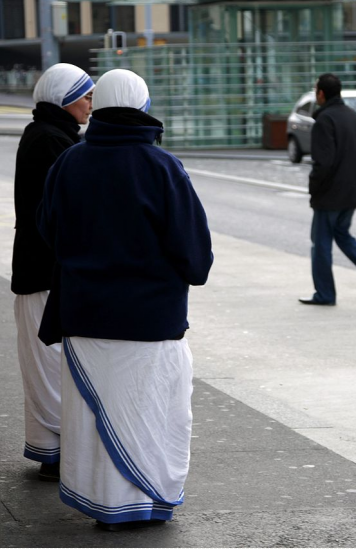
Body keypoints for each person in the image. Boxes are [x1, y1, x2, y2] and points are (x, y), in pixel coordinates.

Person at [36, 69, 213, 531]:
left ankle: (103, 504)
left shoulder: (69, 163)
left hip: (84, 317)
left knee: (97, 423)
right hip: (151, 323)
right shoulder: (163, 168)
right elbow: (195, 256)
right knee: (152, 415)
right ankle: (147, 503)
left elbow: (47, 231)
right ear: (142, 106)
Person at [12, 63, 94, 482]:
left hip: (37, 269)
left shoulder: (49, 135)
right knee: (49, 365)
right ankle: (59, 454)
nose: (90, 103)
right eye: (85, 95)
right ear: (64, 99)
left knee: (46, 364)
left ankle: (52, 452)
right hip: (43, 272)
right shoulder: (51, 141)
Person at [300, 73, 356, 306]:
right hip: (353, 191)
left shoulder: (324, 120)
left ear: (321, 93)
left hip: (330, 193)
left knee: (320, 245)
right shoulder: (354, 117)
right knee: (342, 235)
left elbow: (323, 163)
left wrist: (314, 189)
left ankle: (325, 294)